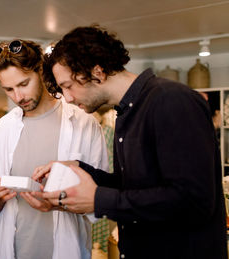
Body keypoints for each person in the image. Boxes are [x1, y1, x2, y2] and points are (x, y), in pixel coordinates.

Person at [33, 25, 228, 259]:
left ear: (98, 72)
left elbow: (193, 201)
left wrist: (98, 200)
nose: (68, 98)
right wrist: (78, 168)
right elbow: (136, 187)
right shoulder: (126, 112)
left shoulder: (171, 100)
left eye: (68, 86)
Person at [0, 40, 109, 259]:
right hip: (11, 251)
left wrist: (58, 204)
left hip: (66, 250)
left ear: (40, 71)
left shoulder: (84, 123)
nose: (18, 97)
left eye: (23, 84)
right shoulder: (1, 129)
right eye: (9, 89)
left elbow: (98, 198)